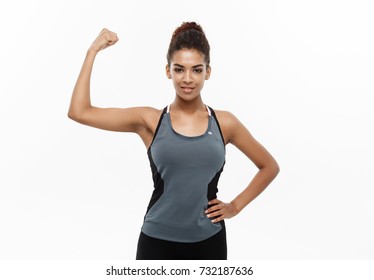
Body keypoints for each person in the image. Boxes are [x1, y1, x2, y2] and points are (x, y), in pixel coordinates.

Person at [68, 22, 280, 260]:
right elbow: (79, 112)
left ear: (208, 72)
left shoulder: (225, 123)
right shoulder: (149, 120)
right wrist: (92, 51)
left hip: (209, 241)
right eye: (179, 69)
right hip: (156, 242)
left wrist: (235, 206)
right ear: (168, 71)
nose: (187, 79)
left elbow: (269, 166)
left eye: (196, 70)